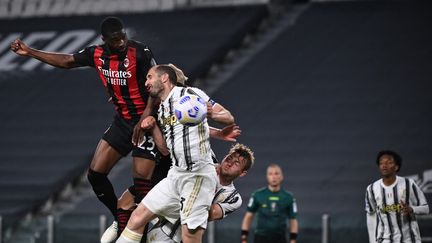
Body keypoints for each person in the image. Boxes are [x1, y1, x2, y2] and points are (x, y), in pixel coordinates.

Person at [11, 16, 160, 234]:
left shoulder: (140, 53)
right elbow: (68, 61)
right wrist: (31, 52)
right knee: (95, 175)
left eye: (122, 37)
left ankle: (151, 227)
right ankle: (121, 220)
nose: (120, 42)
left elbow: (156, 86)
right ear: (104, 40)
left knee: (140, 179)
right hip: (123, 121)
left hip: (147, 122)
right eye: (115, 39)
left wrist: (147, 115)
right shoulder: (96, 54)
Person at [115, 64, 235, 243]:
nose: (146, 82)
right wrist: (154, 126)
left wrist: (211, 114)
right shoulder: (163, 109)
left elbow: (229, 117)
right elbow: (165, 150)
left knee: (189, 237)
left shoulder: (191, 94)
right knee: (138, 217)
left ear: (164, 78)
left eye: (149, 77)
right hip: (176, 175)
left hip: (198, 176)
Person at [146, 143, 255, 243]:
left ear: (242, 173)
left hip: (186, 238)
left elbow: (208, 215)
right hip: (163, 231)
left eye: (236, 163)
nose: (230, 163)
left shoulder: (233, 198)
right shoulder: (205, 162)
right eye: (229, 157)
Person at [365, 150, 429, 243]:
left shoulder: (408, 184)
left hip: (409, 239)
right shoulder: (372, 189)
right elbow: (371, 214)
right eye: (381, 163)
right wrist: (372, 240)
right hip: (385, 240)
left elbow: (426, 209)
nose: (384, 165)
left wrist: (411, 209)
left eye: (389, 162)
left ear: (396, 167)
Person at [241, 164, 299, 243]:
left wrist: (293, 239)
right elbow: (248, 216)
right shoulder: (257, 195)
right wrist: (244, 237)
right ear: (267, 177)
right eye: (270, 174)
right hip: (261, 238)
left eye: (276, 173)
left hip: (280, 238)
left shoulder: (289, 197)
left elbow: (293, 219)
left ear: (281, 176)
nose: (273, 176)